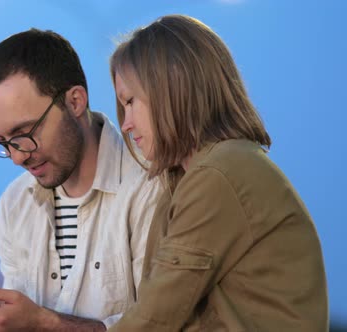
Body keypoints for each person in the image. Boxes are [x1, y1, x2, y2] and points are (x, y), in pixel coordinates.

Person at [107, 14, 328, 331]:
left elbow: (154, 319)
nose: (126, 125)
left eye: (130, 101)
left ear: (172, 88)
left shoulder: (218, 174)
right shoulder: (193, 177)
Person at [0, 28, 160, 331]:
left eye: (24, 134)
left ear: (75, 102)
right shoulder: (15, 202)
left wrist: (44, 324)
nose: (17, 156)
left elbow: (163, 324)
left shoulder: (150, 184)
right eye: (2, 141)